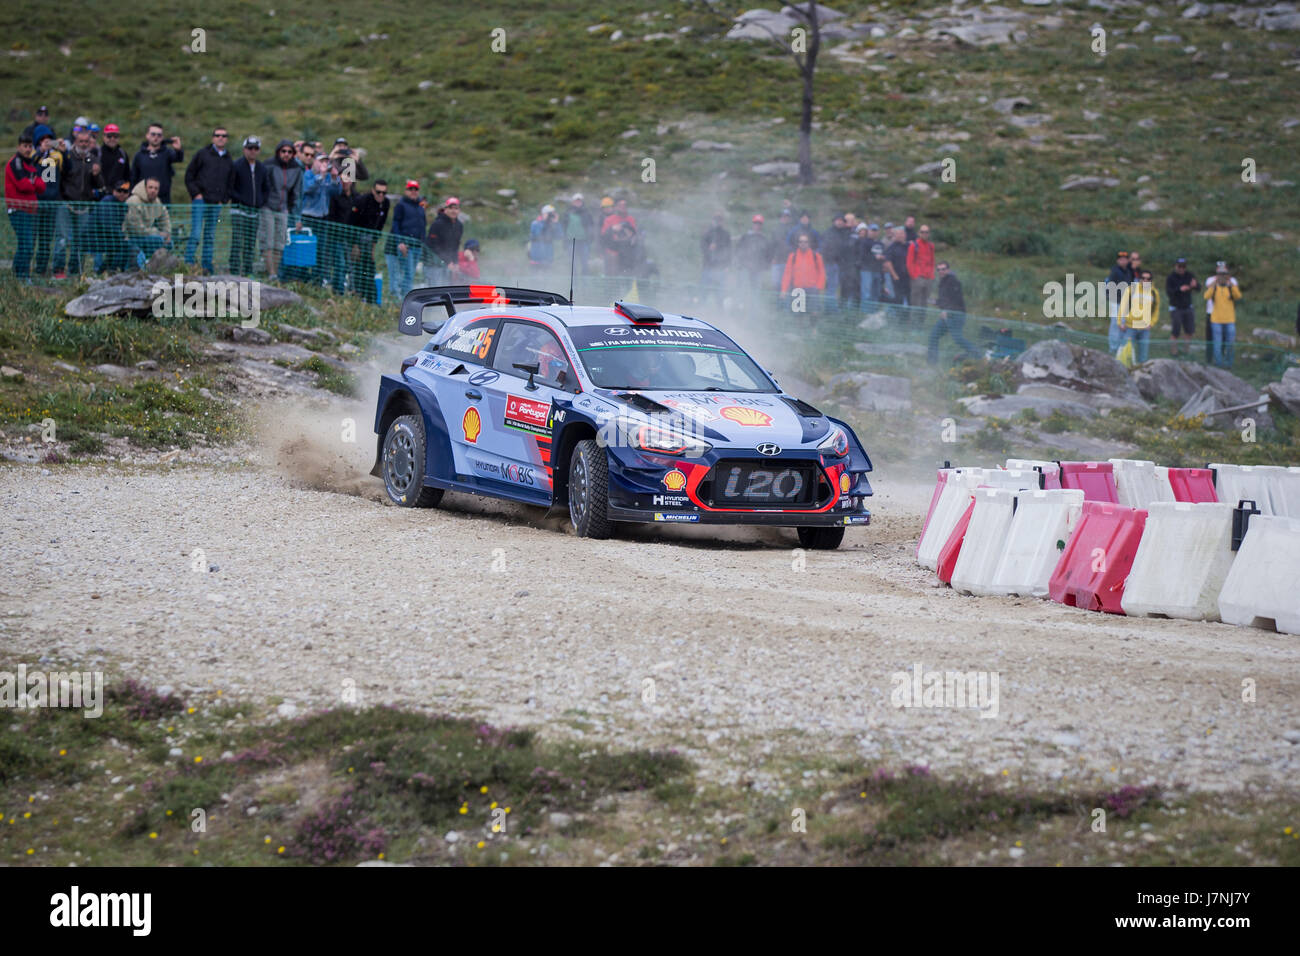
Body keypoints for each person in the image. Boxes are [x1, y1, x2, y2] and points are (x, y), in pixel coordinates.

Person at [183, 127, 233, 274]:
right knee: (196, 233)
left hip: (216, 204)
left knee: (210, 236)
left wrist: (223, 200)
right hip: (201, 201)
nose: (221, 138)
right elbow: (189, 175)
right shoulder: (202, 154)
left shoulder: (228, 159)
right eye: (218, 135)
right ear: (213, 138)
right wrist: (195, 194)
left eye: (224, 136)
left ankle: (207, 267)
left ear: (227, 139)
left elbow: (231, 182)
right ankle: (188, 264)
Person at [60, 128, 103, 277]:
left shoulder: (94, 159)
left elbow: (99, 185)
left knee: (80, 241)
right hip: (66, 204)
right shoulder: (68, 157)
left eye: (86, 141)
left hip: (84, 206)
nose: (84, 144)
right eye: (81, 141)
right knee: (63, 239)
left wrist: (96, 176)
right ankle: (58, 271)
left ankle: (76, 271)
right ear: (75, 141)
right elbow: (58, 177)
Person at [5, 134, 47, 280]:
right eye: (25, 146)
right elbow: (23, 185)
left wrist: (33, 182)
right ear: (19, 147)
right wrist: (33, 182)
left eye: (30, 146)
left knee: (26, 245)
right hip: (19, 210)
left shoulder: (31, 164)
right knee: (26, 244)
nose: (28, 149)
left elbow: (42, 186)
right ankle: (22, 276)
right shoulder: (15, 163)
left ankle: (17, 276)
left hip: (31, 210)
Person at [226, 135, 270, 275]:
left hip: (254, 211)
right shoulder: (236, 165)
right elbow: (229, 187)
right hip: (239, 210)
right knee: (237, 241)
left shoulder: (262, 168)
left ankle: (247, 271)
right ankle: (233, 270)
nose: (252, 151)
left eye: (255, 148)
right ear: (245, 149)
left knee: (250, 243)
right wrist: (242, 200)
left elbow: (266, 188)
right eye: (250, 148)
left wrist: (260, 201)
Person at [263, 139, 302, 279]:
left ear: (293, 154)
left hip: (283, 208)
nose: (286, 154)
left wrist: (295, 213)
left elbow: (297, 192)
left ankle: (274, 273)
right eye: (283, 151)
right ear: (278, 152)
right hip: (267, 206)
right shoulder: (268, 165)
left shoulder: (296, 169)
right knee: (267, 240)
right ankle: (270, 272)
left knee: (279, 242)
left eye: (289, 152)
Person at [346, 178, 390, 304]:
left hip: (370, 238)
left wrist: (373, 246)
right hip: (356, 235)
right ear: (373, 191)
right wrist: (354, 244)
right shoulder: (362, 201)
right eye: (378, 192)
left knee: (369, 267)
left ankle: (370, 299)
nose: (381, 195)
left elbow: (380, 226)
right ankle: (355, 294)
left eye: (384, 193)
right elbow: (350, 222)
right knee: (356, 267)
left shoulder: (385, 204)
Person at [927, 262, 978, 365]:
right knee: (933, 335)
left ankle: (978, 356)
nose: (941, 271)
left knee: (958, 339)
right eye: (939, 269)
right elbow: (945, 301)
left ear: (948, 270)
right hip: (947, 316)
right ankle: (932, 363)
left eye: (943, 269)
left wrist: (947, 310)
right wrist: (935, 302)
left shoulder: (953, 281)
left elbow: (956, 300)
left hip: (956, 315)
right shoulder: (943, 282)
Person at [301, 154, 341, 285]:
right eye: (322, 161)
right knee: (307, 248)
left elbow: (336, 192)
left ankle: (317, 280)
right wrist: (321, 176)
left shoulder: (328, 177)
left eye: (326, 161)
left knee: (321, 250)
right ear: (315, 162)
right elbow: (308, 188)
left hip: (323, 218)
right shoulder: (308, 174)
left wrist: (335, 178)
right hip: (308, 217)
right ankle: (303, 278)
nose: (324, 164)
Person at [386, 180, 426, 302]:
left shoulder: (420, 207)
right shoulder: (401, 205)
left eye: (416, 189)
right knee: (406, 273)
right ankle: (401, 300)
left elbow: (423, 225)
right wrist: (400, 242)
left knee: (411, 274)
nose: (413, 192)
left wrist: (422, 242)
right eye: (411, 189)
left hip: (417, 245)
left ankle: (404, 298)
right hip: (406, 246)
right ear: (406, 191)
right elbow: (396, 224)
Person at [32, 133, 64, 277]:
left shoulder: (54, 158)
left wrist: (64, 152)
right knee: (31, 239)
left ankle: (41, 270)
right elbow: (30, 167)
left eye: (49, 140)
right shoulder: (33, 155)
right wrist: (41, 153)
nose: (47, 143)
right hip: (36, 205)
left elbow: (49, 180)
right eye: (44, 141)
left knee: (45, 240)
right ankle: (26, 270)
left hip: (50, 204)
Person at [123, 177, 172, 267]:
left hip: (147, 236)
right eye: (150, 187)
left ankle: (156, 267)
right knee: (158, 240)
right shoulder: (134, 201)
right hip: (130, 237)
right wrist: (158, 233)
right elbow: (136, 228)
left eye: (156, 188)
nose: (153, 190)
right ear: (145, 188)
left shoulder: (157, 202)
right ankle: (147, 265)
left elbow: (165, 219)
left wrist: (167, 233)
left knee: (169, 243)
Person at [1204, 261, 1242, 368]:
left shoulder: (1231, 286)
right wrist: (1215, 283)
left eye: (1224, 273)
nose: (1222, 276)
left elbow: (1238, 296)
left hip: (1230, 319)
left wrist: (1231, 284)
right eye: (1220, 273)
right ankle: (1219, 363)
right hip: (1216, 319)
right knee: (1217, 343)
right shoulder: (1214, 286)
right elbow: (1206, 296)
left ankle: (1229, 363)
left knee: (1230, 343)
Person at [1117, 268, 1159, 365]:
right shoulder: (1131, 289)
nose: (1145, 281)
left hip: (1145, 328)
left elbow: (1156, 311)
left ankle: (1140, 374)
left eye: (1148, 279)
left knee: (1143, 355)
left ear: (1151, 280)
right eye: (1143, 278)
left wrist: (1151, 323)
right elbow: (1122, 306)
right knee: (1125, 353)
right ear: (1139, 279)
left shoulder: (1154, 293)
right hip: (1130, 326)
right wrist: (1119, 322)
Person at [130, 123, 183, 200]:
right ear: (147, 135)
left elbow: (178, 159)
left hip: (163, 199)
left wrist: (178, 150)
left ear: (162, 138)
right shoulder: (139, 155)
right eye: (153, 134)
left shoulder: (167, 152)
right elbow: (133, 177)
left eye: (159, 135)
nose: (156, 137)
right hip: (143, 199)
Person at [780, 233, 826, 319]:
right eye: (801, 241)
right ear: (798, 243)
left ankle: (813, 331)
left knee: (814, 312)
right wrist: (784, 290)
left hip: (812, 288)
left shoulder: (816, 256)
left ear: (809, 243)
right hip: (798, 289)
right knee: (798, 314)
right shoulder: (792, 256)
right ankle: (799, 331)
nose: (803, 243)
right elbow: (787, 274)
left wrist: (819, 287)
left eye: (805, 241)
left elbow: (822, 273)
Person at [91, 180, 132, 273]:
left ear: (128, 194)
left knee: (123, 246)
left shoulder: (124, 206)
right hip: (96, 236)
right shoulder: (107, 201)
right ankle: (99, 271)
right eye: (119, 190)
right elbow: (106, 224)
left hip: (111, 237)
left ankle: (111, 270)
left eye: (125, 191)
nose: (122, 193)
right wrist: (121, 235)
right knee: (120, 245)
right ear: (114, 191)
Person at [325, 175, 357, 293]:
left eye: (348, 180)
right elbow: (331, 216)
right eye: (342, 180)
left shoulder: (356, 197)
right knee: (340, 264)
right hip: (337, 236)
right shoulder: (335, 196)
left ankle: (351, 289)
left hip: (351, 238)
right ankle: (338, 290)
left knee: (351, 265)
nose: (345, 182)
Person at [1164, 257, 1199, 357]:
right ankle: (1174, 353)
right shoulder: (1171, 277)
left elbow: (1198, 288)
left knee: (1189, 331)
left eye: (1183, 266)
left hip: (1188, 307)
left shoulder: (1190, 275)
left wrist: (1194, 286)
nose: (1181, 269)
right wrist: (1180, 289)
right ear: (1176, 266)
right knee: (1176, 331)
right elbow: (1169, 292)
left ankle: (1186, 352)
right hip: (1176, 307)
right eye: (1179, 266)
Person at [735, 214, 773, 308]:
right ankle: (740, 306)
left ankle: (754, 309)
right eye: (756, 223)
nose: (757, 225)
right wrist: (740, 264)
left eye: (759, 223)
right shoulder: (746, 237)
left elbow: (768, 255)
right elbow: (738, 250)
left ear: (761, 225)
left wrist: (764, 266)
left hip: (757, 270)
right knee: (743, 289)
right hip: (745, 268)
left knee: (755, 292)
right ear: (753, 224)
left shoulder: (764, 239)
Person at [424, 196, 463, 285]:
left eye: (456, 208)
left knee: (446, 290)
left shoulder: (459, 225)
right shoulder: (437, 224)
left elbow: (456, 246)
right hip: (433, 264)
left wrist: (456, 262)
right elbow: (433, 245)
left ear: (459, 210)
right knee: (434, 291)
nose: (453, 211)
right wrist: (448, 261)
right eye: (451, 208)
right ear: (445, 209)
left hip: (447, 265)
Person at [700, 211, 731, 305]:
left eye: (720, 220)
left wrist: (727, 265)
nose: (718, 222)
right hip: (708, 266)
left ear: (722, 222)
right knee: (704, 289)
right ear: (713, 221)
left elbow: (729, 250)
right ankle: (702, 307)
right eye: (716, 220)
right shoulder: (707, 233)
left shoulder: (726, 234)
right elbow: (702, 247)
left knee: (720, 292)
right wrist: (709, 249)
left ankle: (719, 310)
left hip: (720, 267)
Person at [822, 214, 852, 310]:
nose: (839, 222)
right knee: (832, 287)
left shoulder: (847, 233)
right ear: (834, 221)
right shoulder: (828, 232)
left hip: (844, 265)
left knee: (845, 287)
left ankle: (842, 308)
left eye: (841, 220)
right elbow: (824, 247)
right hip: (831, 264)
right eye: (837, 220)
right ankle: (830, 309)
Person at [1105, 250, 1133, 352]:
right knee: (1115, 325)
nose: (1123, 261)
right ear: (1118, 261)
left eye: (1125, 259)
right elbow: (1109, 287)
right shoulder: (1115, 271)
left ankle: (1120, 348)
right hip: (1116, 302)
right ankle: (1113, 348)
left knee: (1123, 324)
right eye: (1121, 259)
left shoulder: (1128, 272)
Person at [97, 124, 130, 205]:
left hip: (119, 196)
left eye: (115, 136)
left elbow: (127, 176)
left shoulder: (123, 154)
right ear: (103, 137)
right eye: (109, 136)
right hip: (101, 196)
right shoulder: (98, 153)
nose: (112, 139)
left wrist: (124, 192)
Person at [883, 226, 911, 319]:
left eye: (902, 233)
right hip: (897, 278)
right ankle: (898, 318)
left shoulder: (908, 246)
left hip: (908, 277)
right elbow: (888, 262)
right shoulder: (892, 247)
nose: (901, 235)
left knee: (908, 298)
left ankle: (906, 318)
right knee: (898, 298)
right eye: (899, 234)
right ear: (895, 235)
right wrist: (894, 275)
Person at [907, 224, 936, 310]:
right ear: (919, 233)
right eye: (922, 232)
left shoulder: (931, 246)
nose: (924, 234)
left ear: (929, 233)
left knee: (924, 304)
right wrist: (914, 276)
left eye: (926, 232)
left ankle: (921, 322)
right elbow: (909, 263)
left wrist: (931, 276)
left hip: (928, 278)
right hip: (917, 278)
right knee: (915, 303)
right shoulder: (914, 245)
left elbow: (932, 261)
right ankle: (914, 323)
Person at [564, 193, 594, 275]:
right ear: (572, 202)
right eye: (576, 201)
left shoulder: (587, 213)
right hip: (571, 242)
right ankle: (575, 285)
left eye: (579, 201)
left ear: (582, 202)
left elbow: (591, 227)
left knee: (585, 264)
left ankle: (585, 285)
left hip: (584, 242)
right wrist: (565, 242)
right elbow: (564, 227)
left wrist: (590, 239)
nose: (578, 203)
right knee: (573, 265)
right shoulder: (567, 213)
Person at [528, 203, 562, 273]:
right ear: (544, 213)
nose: (551, 216)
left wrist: (556, 222)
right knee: (535, 280)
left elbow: (559, 236)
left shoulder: (553, 224)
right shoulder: (536, 223)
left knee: (547, 280)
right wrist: (546, 222)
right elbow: (539, 234)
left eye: (553, 214)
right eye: (550, 214)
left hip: (548, 258)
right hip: (536, 258)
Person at [858, 223, 886, 307]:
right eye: (872, 230)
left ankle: (873, 313)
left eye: (875, 231)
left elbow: (884, 256)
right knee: (867, 293)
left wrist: (883, 258)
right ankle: (865, 312)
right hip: (867, 270)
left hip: (877, 270)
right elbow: (862, 256)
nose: (874, 232)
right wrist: (875, 257)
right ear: (868, 231)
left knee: (876, 293)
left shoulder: (881, 244)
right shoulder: (864, 242)